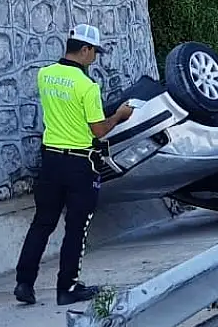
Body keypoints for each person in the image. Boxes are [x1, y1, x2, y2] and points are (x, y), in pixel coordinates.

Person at [14, 25, 136, 306]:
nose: (95, 58)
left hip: (51, 161)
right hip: (80, 164)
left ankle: (24, 282)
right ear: (85, 49)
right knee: (76, 227)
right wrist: (119, 115)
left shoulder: (45, 76)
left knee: (42, 223)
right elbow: (98, 130)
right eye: (94, 52)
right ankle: (67, 287)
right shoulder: (87, 86)